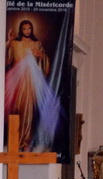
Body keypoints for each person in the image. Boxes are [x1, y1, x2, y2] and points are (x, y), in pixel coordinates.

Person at [5, 17, 61, 150]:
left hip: (30, 81)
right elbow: (7, 60)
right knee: (15, 109)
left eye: (29, 28)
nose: (27, 31)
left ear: (32, 29)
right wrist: (8, 42)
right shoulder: (15, 43)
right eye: (24, 28)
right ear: (21, 30)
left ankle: (25, 141)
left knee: (28, 111)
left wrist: (40, 55)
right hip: (16, 81)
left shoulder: (36, 44)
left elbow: (44, 62)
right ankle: (13, 140)